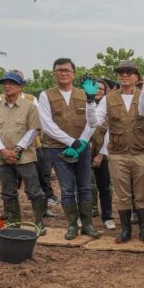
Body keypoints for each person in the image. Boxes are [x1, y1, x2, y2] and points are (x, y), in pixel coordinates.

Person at [84, 61, 144, 244]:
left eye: (129, 72)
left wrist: (140, 138)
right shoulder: (110, 98)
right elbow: (94, 122)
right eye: (121, 72)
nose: (124, 75)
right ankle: (126, 230)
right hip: (117, 153)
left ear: (136, 77)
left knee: (141, 194)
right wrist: (90, 101)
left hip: (141, 153)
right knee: (122, 194)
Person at [38, 58, 100, 240]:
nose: (63, 73)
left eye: (67, 70)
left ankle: (87, 224)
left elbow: (93, 121)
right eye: (59, 70)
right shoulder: (46, 95)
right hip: (57, 149)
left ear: (74, 73)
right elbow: (47, 125)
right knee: (66, 188)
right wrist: (71, 142)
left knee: (85, 187)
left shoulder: (85, 94)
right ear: (54, 73)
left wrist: (81, 142)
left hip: (83, 148)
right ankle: (72, 224)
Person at [0, 72, 46, 235]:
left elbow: (33, 130)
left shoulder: (30, 106)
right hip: (2, 156)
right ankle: (13, 222)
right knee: (8, 191)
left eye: (11, 83)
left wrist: (18, 149)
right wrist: (3, 150)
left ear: (20, 87)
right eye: (4, 83)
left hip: (25, 156)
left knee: (34, 190)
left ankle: (39, 222)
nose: (7, 86)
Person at [90, 78, 115, 230]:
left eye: (101, 88)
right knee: (85, 186)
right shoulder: (85, 106)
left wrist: (101, 154)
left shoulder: (109, 108)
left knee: (105, 186)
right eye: (95, 87)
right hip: (83, 151)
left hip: (103, 153)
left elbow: (111, 133)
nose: (98, 90)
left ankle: (107, 216)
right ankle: (87, 215)